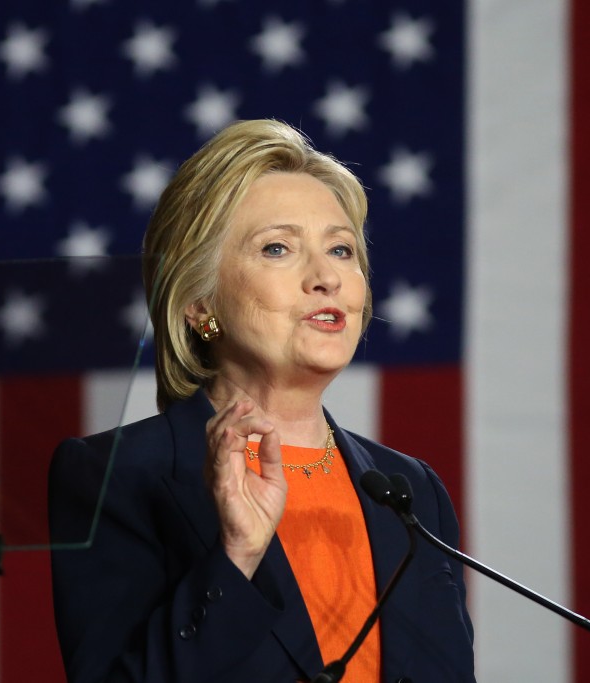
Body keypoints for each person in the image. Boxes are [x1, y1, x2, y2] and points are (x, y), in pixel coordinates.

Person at [48, 119, 475, 683]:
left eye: (342, 250)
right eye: (278, 248)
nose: (326, 278)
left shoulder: (412, 491)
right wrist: (236, 559)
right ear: (200, 303)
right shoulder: (118, 476)